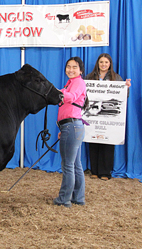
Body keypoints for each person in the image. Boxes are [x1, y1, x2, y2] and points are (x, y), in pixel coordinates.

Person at [85, 53, 131, 181]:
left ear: (110, 64)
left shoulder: (116, 78)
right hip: (93, 116)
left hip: (109, 117)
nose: (103, 64)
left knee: (108, 142)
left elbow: (123, 96)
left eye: (106, 62)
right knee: (93, 141)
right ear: (97, 64)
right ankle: (94, 170)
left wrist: (126, 87)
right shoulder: (90, 77)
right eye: (101, 62)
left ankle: (105, 172)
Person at [54, 57, 87, 208]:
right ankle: (78, 197)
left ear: (81, 70)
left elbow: (71, 97)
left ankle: (64, 199)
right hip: (73, 127)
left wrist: (56, 92)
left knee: (68, 165)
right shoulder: (71, 83)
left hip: (71, 126)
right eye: (68, 66)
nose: (71, 70)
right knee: (76, 165)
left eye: (74, 67)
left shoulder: (78, 82)